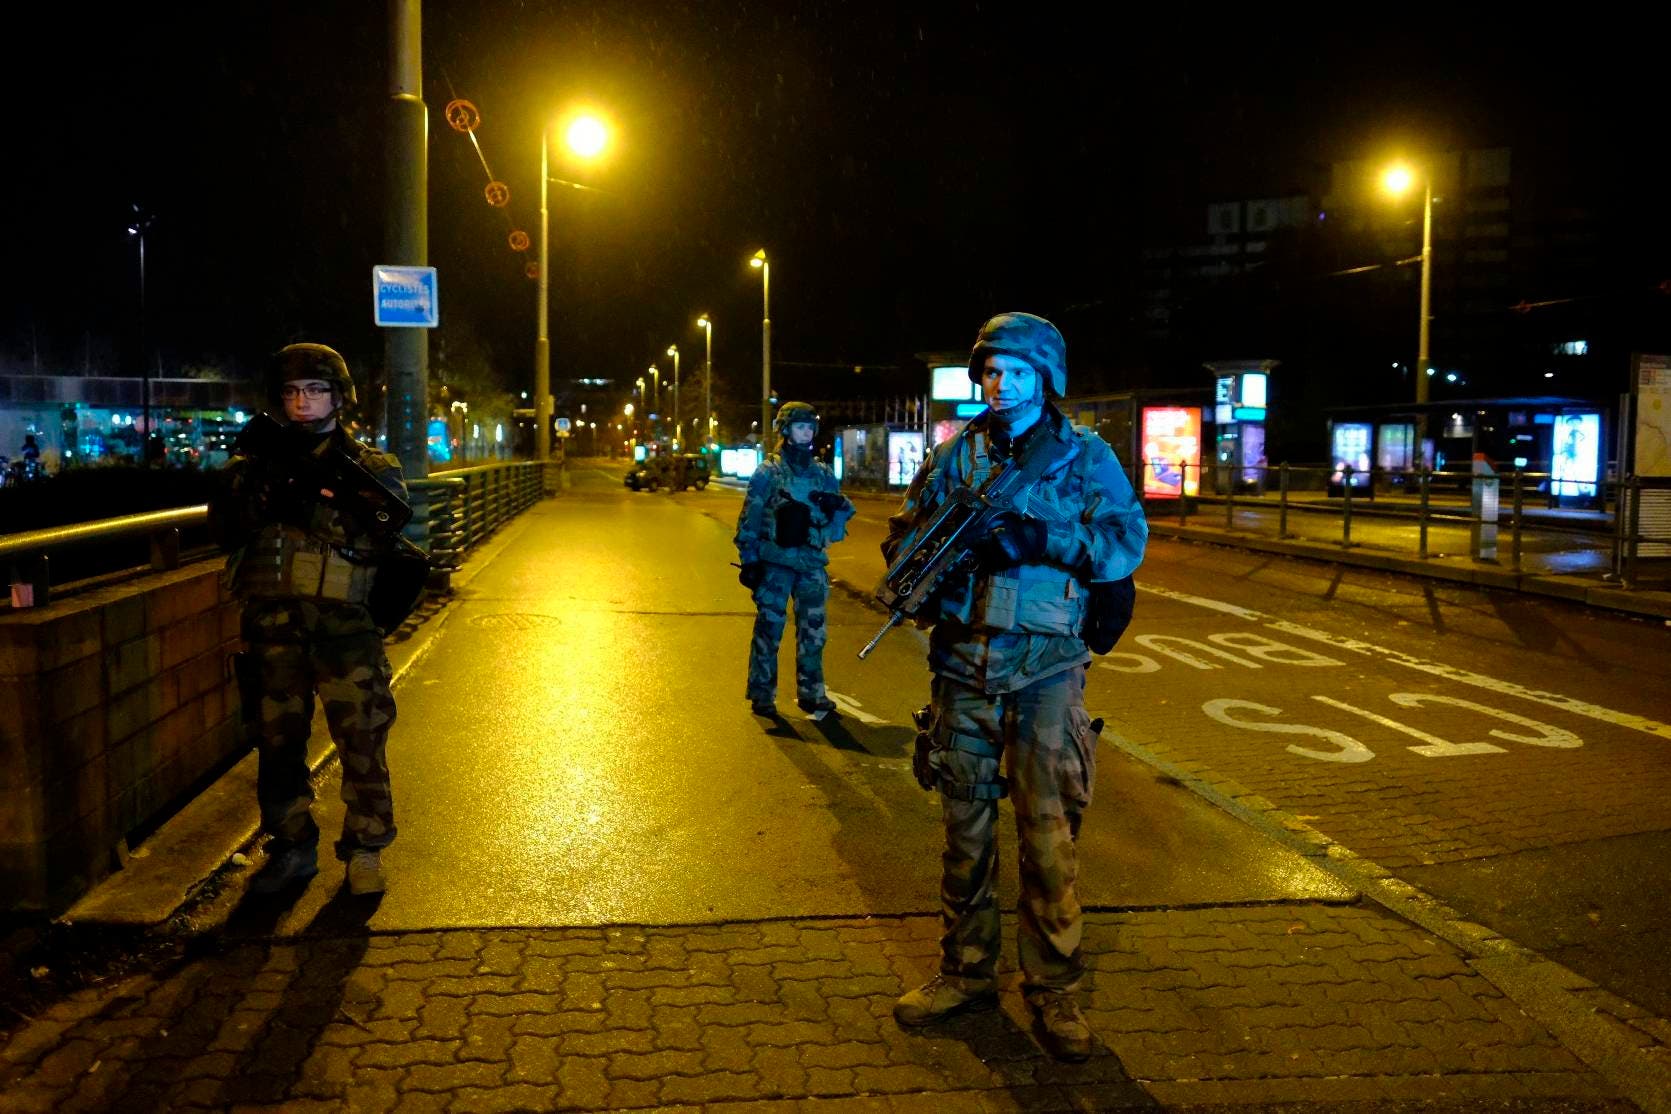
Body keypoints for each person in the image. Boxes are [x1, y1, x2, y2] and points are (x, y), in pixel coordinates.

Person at [884, 312, 1146, 1061]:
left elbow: (1122, 541)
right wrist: (920, 573)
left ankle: (1053, 991)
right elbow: (908, 533)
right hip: (962, 660)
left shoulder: (1084, 458)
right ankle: (965, 972)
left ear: (1046, 379)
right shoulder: (955, 457)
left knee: (1046, 835)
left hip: (1045, 668)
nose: (1000, 385)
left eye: (1017, 372)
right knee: (963, 833)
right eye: (991, 371)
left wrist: (1043, 538)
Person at [208, 343, 407, 896]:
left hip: (347, 630)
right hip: (273, 629)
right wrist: (263, 491)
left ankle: (365, 850)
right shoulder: (250, 466)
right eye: (292, 392)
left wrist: (322, 496)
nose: (303, 402)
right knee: (277, 746)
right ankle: (291, 847)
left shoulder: (371, 468)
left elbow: (388, 536)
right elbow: (224, 530)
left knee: (362, 743)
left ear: (339, 397)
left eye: (315, 390)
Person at [735, 401, 855, 719]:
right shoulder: (768, 472)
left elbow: (841, 519)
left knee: (814, 631)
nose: (806, 432)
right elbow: (750, 516)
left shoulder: (823, 474)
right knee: (769, 629)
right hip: (775, 562)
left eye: (810, 427)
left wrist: (837, 504)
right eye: (800, 426)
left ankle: (811, 693)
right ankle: (762, 693)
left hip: (812, 563)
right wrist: (749, 559)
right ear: (785, 430)